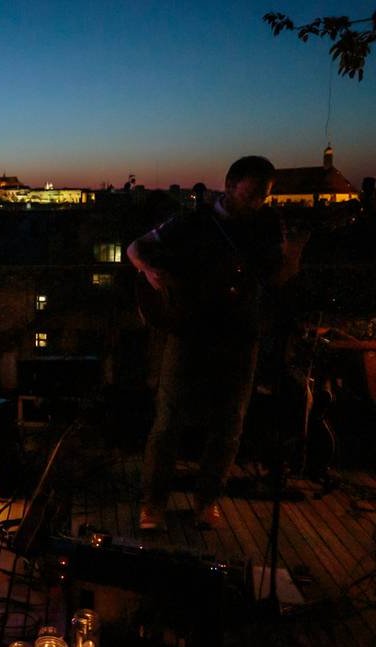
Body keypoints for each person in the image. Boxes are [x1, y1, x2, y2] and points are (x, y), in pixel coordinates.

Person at [127, 156, 307, 531]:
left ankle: (207, 500)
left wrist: (293, 253)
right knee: (169, 421)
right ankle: (153, 503)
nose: (259, 201)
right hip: (190, 331)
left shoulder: (266, 228)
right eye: (253, 193)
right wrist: (149, 271)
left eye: (264, 195)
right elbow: (136, 249)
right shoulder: (193, 222)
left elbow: (277, 278)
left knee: (229, 424)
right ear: (230, 185)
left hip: (240, 334)